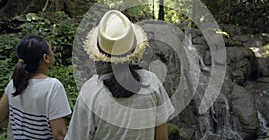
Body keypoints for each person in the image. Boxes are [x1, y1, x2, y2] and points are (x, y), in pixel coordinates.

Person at [65, 10, 175, 140]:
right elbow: (162, 138)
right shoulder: (152, 83)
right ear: (134, 47)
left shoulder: (91, 92)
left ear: (101, 53)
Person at [0, 35, 72, 140]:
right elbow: (59, 135)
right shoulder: (53, 87)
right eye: (51, 50)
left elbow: (1, 118)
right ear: (45, 58)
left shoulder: (14, 83)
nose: (53, 52)